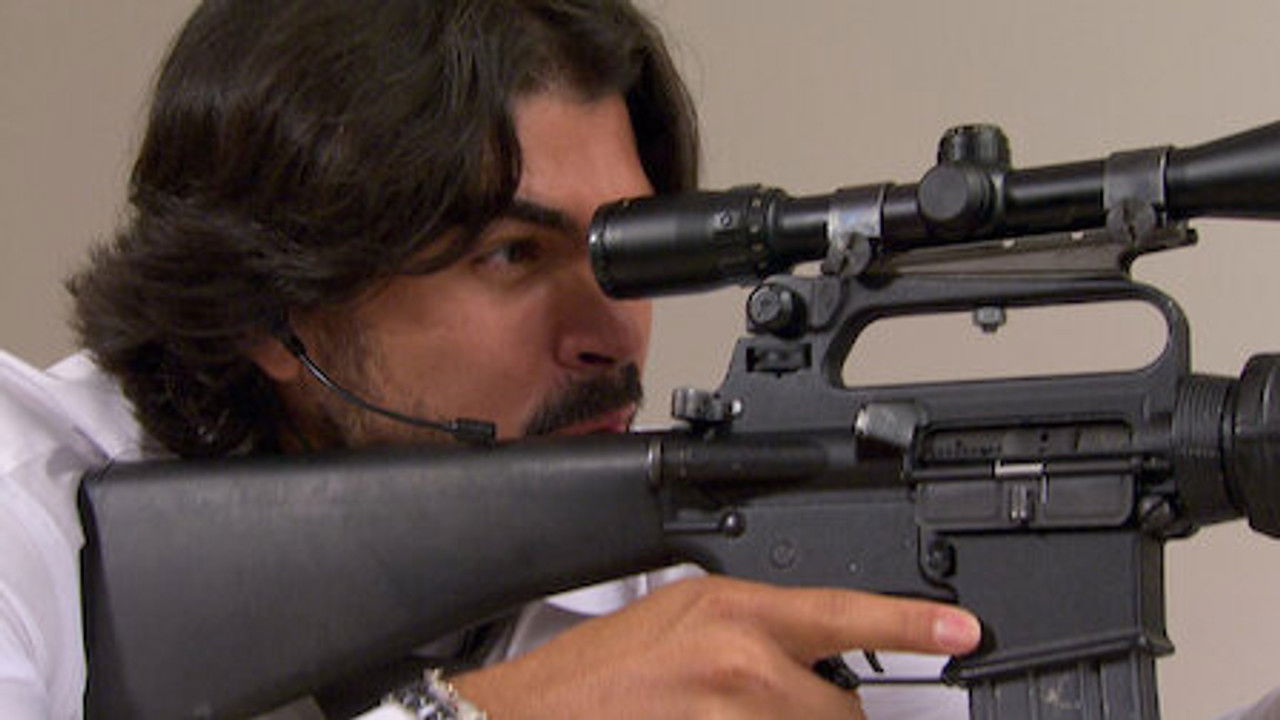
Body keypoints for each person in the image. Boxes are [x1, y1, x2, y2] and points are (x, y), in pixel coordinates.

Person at [0, 1, 982, 718]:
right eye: (513, 255)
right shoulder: (27, 495)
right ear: (271, 309)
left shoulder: (718, 554)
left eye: (628, 253)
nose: (613, 333)